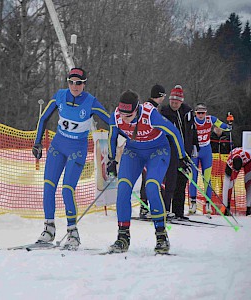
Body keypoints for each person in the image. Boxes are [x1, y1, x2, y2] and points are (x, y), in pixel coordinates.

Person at [32, 67, 110, 250]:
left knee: (67, 189)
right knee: (48, 186)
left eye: (79, 83)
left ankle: (73, 232)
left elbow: (111, 121)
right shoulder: (60, 96)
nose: (75, 86)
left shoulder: (91, 102)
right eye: (71, 82)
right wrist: (37, 143)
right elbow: (43, 119)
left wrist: (115, 147)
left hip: (77, 149)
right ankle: (48, 228)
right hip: (58, 146)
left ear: (84, 84)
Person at [107, 90, 191, 254]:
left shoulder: (150, 114)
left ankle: (161, 236)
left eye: (129, 116)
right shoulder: (116, 116)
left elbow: (173, 131)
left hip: (157, 151)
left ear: (136, 110)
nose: (124, 119)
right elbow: (112, 136)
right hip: (133, 152)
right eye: (122, 114)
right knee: (123, 188)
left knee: (152, 187)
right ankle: (123, 237)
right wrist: (112, 160)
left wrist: (182, 156)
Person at [160, 85, 199, 220]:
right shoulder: (164, 112)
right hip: (170, 153)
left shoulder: (187, 112)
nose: (174, 103)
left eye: (176, 101)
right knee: (169, 182)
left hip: (185, 153)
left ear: (181, 101)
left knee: (181, 182)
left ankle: (178, 211)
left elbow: (192, 130)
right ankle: (165, 210)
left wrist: (195, 146)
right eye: (172, 101)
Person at [189, 103, 231, 216]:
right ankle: (192, 203)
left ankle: (207, 203)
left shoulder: (210, 119)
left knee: (207, 178)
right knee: (193, 177)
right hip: (195, 151)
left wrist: (228, 126)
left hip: (206, 151)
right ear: (195, 113)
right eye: (199, 113)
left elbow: (221, 125)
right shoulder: (192, 121)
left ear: (206, 113)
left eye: (203, 112)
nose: (201, 115)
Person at [139, 84, 166, 219]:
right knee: (148, 179)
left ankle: (149, 207)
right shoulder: (150, 109)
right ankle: (144, 207)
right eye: (163, 97)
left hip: (150, 148)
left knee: (152, 179)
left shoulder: (150, 107)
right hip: (146, 149)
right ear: (160, 96)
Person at [221, 147, 251, 216]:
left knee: (249, 182)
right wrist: (225, 205)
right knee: (229, 185)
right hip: (235, 160)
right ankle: (226, 207)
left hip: (248, 162)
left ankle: (249, 207)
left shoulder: (248, 155)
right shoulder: (229, 163)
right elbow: (226, 184)